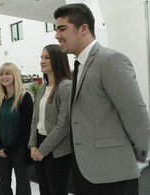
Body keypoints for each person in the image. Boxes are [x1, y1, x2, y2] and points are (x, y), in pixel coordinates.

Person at [54, 3, 150, 195]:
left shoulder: (110, 60)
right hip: (85, 171)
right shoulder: (79, 65)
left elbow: (134, 113)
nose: (57, 36)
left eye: (62, 29)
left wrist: (140, 153)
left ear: (84, 29)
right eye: (56, 30)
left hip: (114, 173)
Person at [28, 44, 72, 195]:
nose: (42, 61)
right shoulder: (43, 87)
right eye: (41, 57)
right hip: (40, 144)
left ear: (58, 60)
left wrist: (42, 150)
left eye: (47, 57)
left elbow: (64, 125)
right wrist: (33, 145)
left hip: (58, 150)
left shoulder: (66, 86)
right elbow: (35, 119)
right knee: (44, 191)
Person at [0, 62, 33, 195]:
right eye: (1, 74)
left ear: (15, 75)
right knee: (3, 184)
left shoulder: (24, 97)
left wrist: (9, 150)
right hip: (1, 151)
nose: (4, 77)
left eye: (7, 73)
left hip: (19, 151)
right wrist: (0, 147)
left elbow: (25, 129)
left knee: (22, 185)